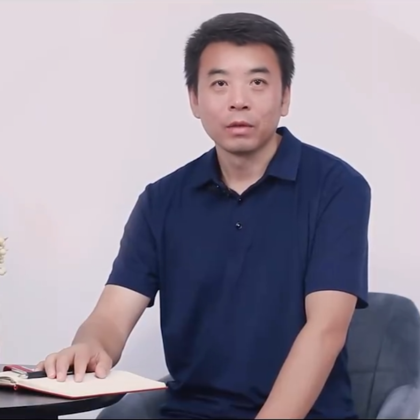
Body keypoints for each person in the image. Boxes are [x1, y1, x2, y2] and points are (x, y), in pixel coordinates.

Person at [37, 11, 371, 420]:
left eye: (257, 82)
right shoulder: (162, 201)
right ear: (194, 99)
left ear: (285, 97)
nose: (238, 100)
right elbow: (110, 316)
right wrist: (89, 345)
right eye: (219, 83)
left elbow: (325, 331)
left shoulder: (337, 188)